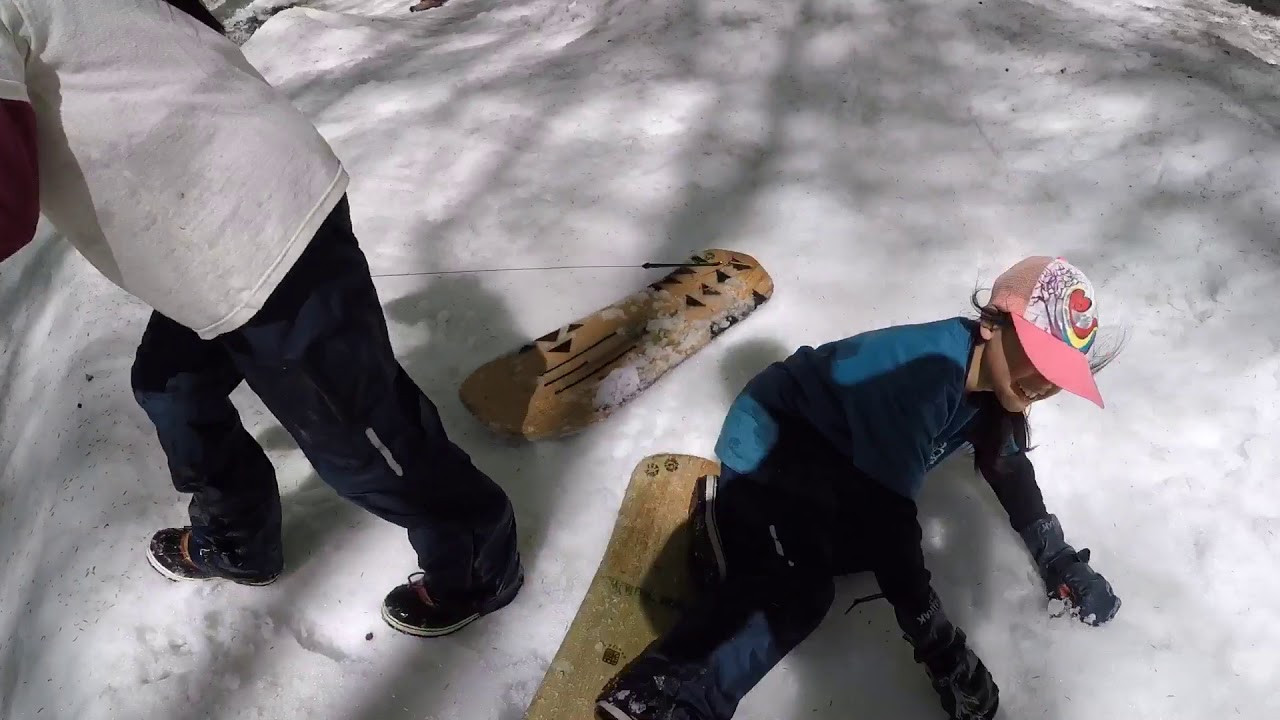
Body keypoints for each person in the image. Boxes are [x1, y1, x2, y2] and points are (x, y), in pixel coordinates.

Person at [0, 0, 522, 637]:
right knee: (174, 387)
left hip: (249, 224)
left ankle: (476, 564)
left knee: (363, 439)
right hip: (212, 212)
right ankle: (240, 539)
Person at [595, 256, 1124, 720]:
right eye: (1039, 357)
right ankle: (660, 695)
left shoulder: (990, 387)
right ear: (993, 324)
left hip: (836, 459)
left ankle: (739, 540)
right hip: (776, 440)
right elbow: (892, 529)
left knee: (847, 551)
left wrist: (1059, 560)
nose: (1046, 384)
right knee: (799, 590)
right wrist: (940, 648)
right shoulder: (923, 379)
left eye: (1062, 374)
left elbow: (1008, 468)